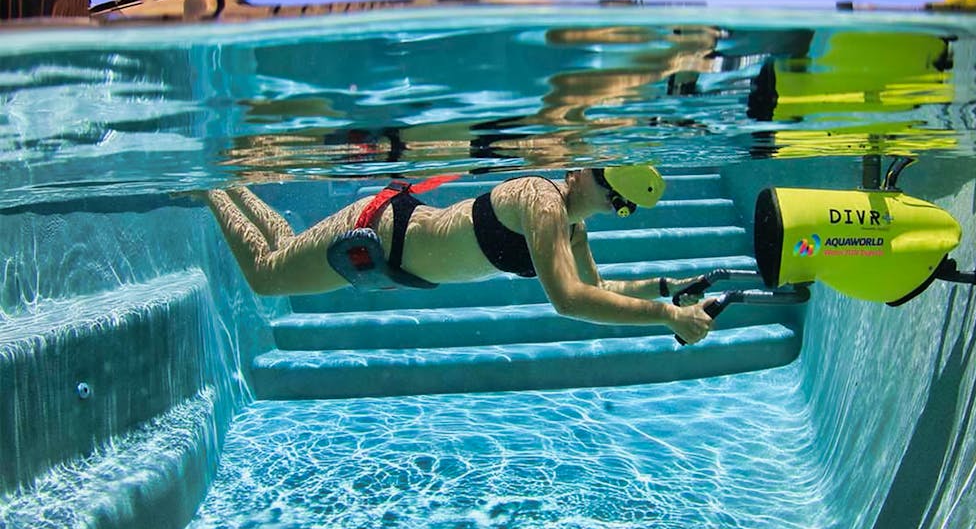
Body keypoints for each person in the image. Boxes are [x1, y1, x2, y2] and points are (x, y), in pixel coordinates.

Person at [206, 165, 715, 345]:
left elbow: (596, 292)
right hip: (380, 232)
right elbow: (569, 300)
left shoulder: (570, 227)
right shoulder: (541, 198)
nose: (575, 165)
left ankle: (235, 188)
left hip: (391, 251)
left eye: (589, 166)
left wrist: (666, 290)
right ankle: (211, 190)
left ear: (606, 191)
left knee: (282, 254)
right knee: (266, 276)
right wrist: (667, 316)